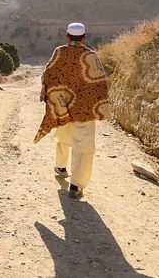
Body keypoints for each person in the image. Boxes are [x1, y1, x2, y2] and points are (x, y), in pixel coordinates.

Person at [34, 22, 110, 199]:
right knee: (83, 145)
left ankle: (60, 167)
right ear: (84, 38)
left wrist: (55, 98)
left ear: (67, 37)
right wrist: (96, 105)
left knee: (63, 134)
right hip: (84, 109)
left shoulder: (59, 51)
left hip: (63, 105)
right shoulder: (90, 55)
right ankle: (75, 186)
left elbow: (48, 74)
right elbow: (100, 83)